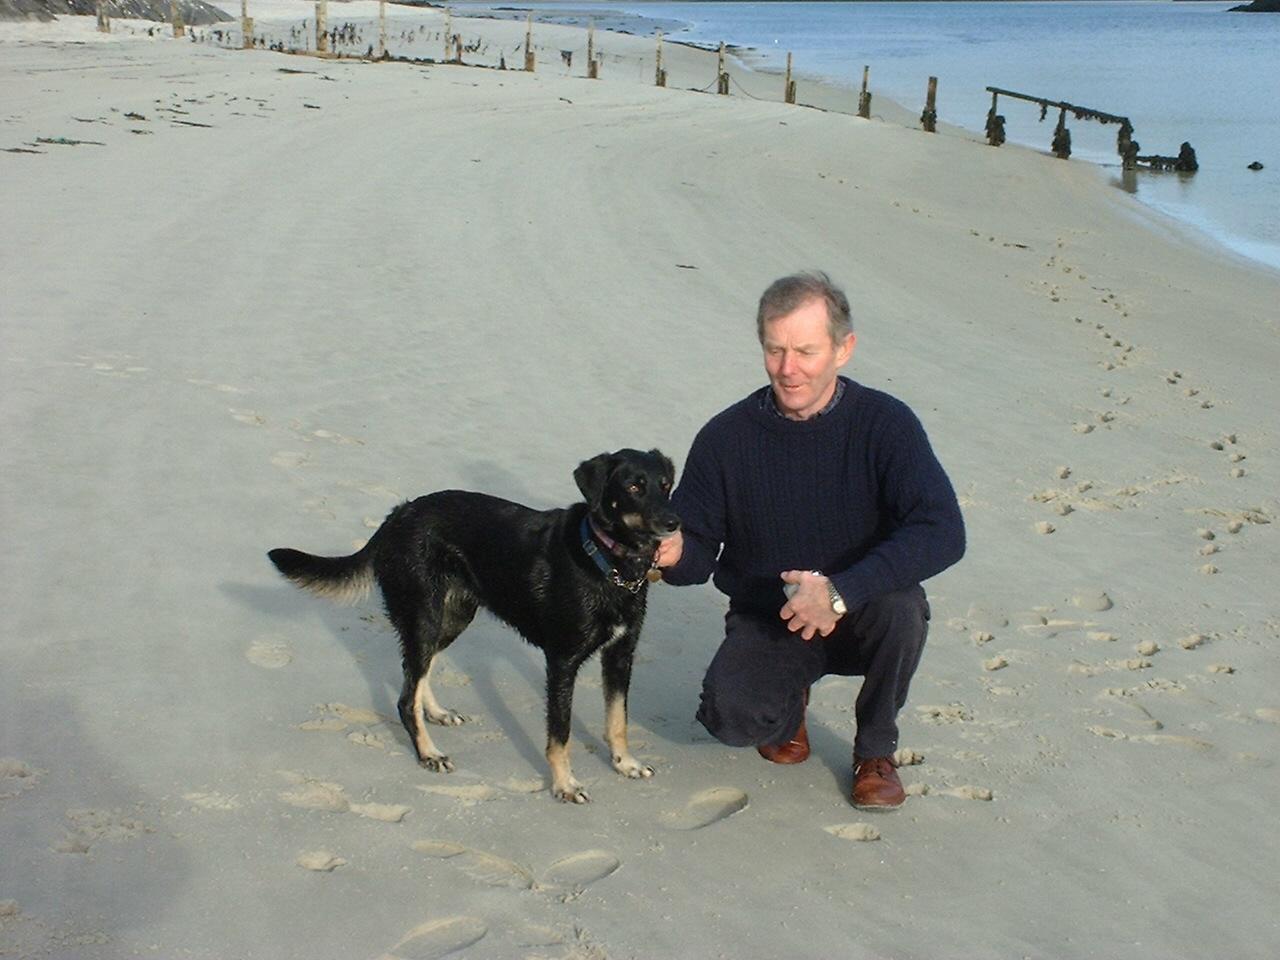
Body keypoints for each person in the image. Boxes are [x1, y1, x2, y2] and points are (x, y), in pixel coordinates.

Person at [656, 271, 965, 808]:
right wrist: (674, 552)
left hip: (865, 605)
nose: (788, 369)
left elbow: (943, 531)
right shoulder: (725, 438)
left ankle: (874, 749)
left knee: (902, 608)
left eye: (805, 350)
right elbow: (698, 550)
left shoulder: (885, 424)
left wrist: (840, 590)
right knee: (730, 720)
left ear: (844, 349)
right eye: (775, 350)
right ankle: (788, 701)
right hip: (769, 615)